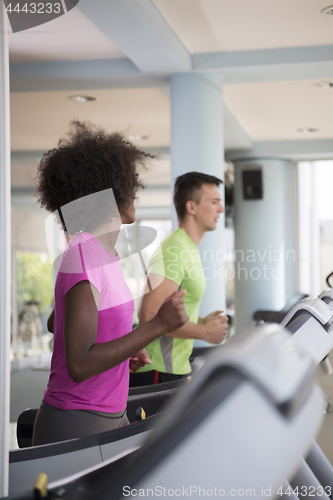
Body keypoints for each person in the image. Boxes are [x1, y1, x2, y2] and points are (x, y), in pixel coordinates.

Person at [32, 121, 189, 445]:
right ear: (107, 193)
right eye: (129, 185)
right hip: (76, 422)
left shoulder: (107, 254)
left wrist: (121, 350)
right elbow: (78, 364)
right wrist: (157, 326)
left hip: (109, 415)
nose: (134, 193)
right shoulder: (82, 254)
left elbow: (58, 322)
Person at [131, 172, 229, 386]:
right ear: (191, 207)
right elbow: (149, 315)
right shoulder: (174, 250)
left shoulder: (187, 248)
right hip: (156, 368)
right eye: (214, 202)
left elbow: (169, 310)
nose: (221, 209)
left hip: (173, 367)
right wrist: (204, 332)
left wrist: (202, 321)